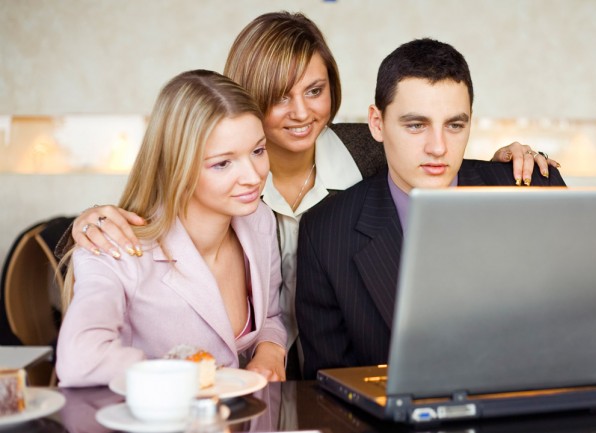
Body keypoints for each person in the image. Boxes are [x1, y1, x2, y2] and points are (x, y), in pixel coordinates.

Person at [64, 12, 558, 378]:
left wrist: (508, 162)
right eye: (279, 94)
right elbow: (164, 185)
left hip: (283, 375)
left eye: (315, 91)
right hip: (287, 379)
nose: (301, 113)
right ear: (247, 100)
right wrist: (90, 218)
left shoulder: (368, 147)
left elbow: (434, 146)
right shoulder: (232, 191)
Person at [295, 38, 567, 379]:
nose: (438, 148)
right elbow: (330, 389)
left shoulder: (536, 191)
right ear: (376, 124)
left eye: (455, 125)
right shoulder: (324, 234)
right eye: (416, 125)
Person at [56, 70, 287, 386]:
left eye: (258, 151)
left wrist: (271, 351)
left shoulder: (259, 221)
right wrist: (190, 375)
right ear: (177, 166)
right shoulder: (118, 248)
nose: (253, 176)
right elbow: (78, 360)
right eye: (223, 163)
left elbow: (272, 316)